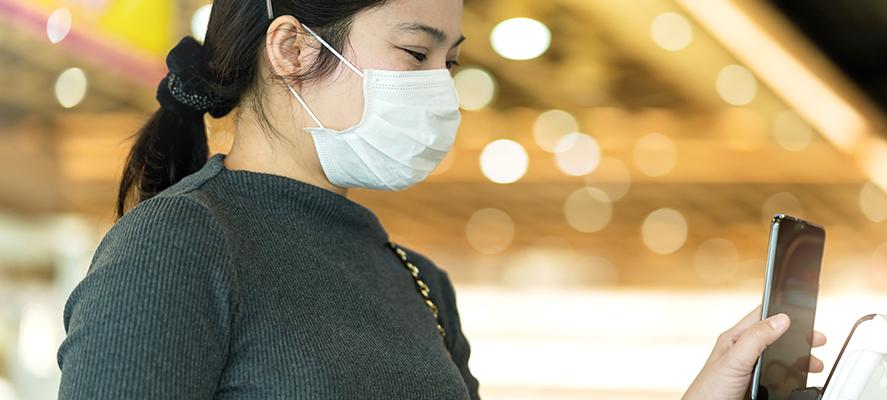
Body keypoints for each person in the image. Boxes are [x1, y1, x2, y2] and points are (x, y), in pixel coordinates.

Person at [55, 0, 825, 398]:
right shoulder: (179, 247)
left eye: (447, 62)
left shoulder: (418, 282)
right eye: (415, 52)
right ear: (292, 48)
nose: (437, 87)